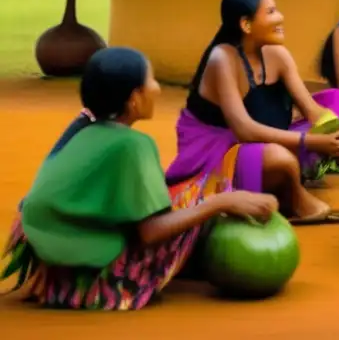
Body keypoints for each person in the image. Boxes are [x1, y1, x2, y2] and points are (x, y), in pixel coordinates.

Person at [1, 48, 279, 310]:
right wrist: (221, 203)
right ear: (134, 99)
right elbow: (150, 232)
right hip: (99, 279)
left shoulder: (83, 126)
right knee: (206, 191)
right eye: (152, 80)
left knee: (183, 197)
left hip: (53, 265)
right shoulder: (133, 145)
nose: (157, 88)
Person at [164, 0, 339, 225]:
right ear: (246, 24)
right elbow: (244, 131)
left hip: (268, 139)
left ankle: (288, 177)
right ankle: (296, 197)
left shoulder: (277, 54)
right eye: (270, 12)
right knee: (279, 159)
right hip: (222, 153)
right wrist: (314, 141)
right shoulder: (222, 58)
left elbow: (311, 110)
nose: (281, 17)